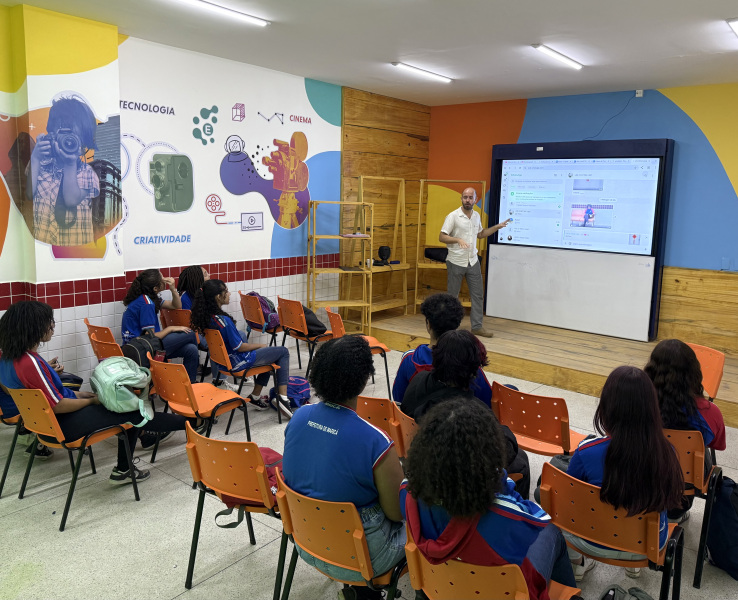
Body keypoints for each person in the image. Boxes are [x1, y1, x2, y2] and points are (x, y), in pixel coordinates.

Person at [401, 398, 576, 599]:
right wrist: (498, 478)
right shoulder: (505, 516)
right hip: (508, 593)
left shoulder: (407, 493)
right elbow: (539, 518)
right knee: (552, 532)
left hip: (443, 589)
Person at [0, 301, 187, 483]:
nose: (52, 326)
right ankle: (187, 424)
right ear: (33, 327)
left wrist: (83, 395)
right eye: (49, 322)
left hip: (43, 425)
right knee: (133, 410)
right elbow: (58, 405)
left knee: (124, 407)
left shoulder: (11, 358)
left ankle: (175, 430)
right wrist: (92, 401)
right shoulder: (30, 363)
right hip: (61, 426)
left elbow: (53, 395)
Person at [282, 336, 405, 600]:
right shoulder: (376, 441)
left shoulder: (298, 416)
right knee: (429, 523)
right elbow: (397, 514)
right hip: (364, 560)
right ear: (363, 380)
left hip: (307, 543)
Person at [565, 366, 684, 580]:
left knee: (553, 501)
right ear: (651, 409)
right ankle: (633, 566)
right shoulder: (669, 453)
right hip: (648, 547)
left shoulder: (586, 452)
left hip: (592, 541)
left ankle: (577, 565)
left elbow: (570, 498)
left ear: (607, 407)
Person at [401, 328, 530, 497]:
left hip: (421, 462)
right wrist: (505, 431)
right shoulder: (471, 410)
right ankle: (512, 509)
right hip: (459, 475)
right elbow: (502, 450)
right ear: (474, 370)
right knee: (521, 460)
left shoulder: (417, 380)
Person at [189, 279, 293, 418]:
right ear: (218, 297)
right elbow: (240, 347)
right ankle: (283, 399)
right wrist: (260, 345)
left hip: (224, 363)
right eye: (226, 291)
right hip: (238, 361)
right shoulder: (224, 321)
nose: (229, 294)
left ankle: (255, 396)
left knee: (270, 357)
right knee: (283, 352)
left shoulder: (208, 317)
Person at [393, 293, 492, 405]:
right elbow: (487, 403)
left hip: (416, 416)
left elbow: (398, 400)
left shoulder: (409, 359)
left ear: (428, 324)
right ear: (457, 325)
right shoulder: (469, 363)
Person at [27, 96, 99, 247]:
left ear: (83, 143)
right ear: (52, 136)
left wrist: (70, 164)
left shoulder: (87, 173)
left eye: (74, 138)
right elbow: (29, 194)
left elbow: (71, 200)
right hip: (43, 245)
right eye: (64, 135)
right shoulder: (40, 164)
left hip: (75, 249)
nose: (68, 142)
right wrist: (35, 159)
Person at [439, 187, 510, 338]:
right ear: (461, 199)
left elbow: (481, 234)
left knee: (477, 295)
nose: (467, 200)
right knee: (452, 297)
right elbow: (442, 237)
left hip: (472, 261)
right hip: (456, 261)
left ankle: (477, 327)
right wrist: (458, 239)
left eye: (470, 197)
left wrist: (497, 227)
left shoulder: (476, 216)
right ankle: (449, 328)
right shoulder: (453, 216)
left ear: (475, 200)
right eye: (465, 197)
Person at [644, 339, 726, 454]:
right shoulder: (711, 412)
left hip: (645, 464)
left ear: (650, 370)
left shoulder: (638, 404)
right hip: (689, 465)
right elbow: (717, 445)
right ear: (694, 372)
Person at [121, 268, 199, 383]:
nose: (166, 280)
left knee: (191, 349)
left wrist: (173, 289)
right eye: (163, 280)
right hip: (143, 349)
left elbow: (176, 306)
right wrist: (170, 329)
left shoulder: (146, 297)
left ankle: (190, 385)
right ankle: (199, 359)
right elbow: (150, 337)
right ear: (155, 288)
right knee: (191, 334)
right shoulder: (147, 304)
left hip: (141, 345)